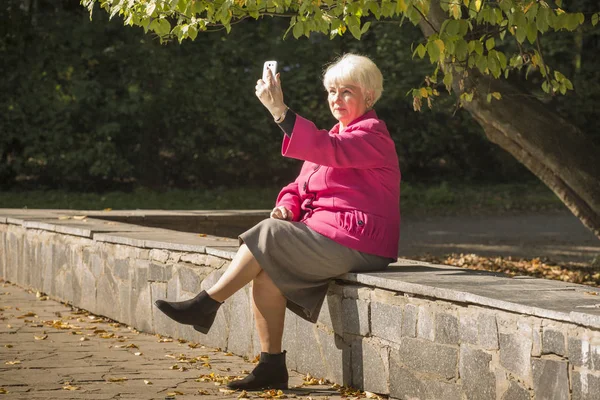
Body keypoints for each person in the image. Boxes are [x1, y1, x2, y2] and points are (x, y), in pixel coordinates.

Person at [154, 53, 400, 391]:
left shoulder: (373, 135)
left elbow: (328, 149)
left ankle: (206, 304)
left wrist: (280, 113)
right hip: (326, 235)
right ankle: (271, 366)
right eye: (332, 91)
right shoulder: (333, 135)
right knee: (267, 273)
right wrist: (286, 207)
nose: (336, 99)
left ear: (369, 97)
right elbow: (296, 188)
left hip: (361, 242)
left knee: (268, 235)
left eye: (347, 92)